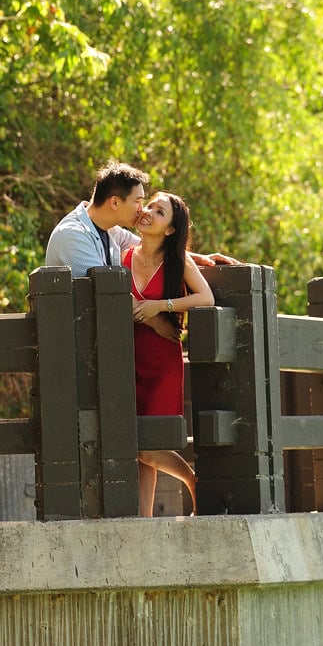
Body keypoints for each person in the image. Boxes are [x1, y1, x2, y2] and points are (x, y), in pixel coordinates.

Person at [45, 159, 237, 341]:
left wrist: (198, 258)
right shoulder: (74, 235)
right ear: (115, 203)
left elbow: (153, 246)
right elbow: (107, 292)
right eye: (138, 201)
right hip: (70, 348)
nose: (141, 209)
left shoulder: (110, 230)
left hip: (100, 344)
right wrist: (155, 322)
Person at [126, 191, 214, 516]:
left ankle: (193, 481)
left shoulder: (178, 262)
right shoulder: (123, 256)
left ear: (170, 230)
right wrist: (143, 315)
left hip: (162, 361)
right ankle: (144, 518)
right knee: (138, 445)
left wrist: (157, 307)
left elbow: (205, 297)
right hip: (129, 359)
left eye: (159, 212)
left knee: (148, 445)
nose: (148, 211)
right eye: (149, 206)